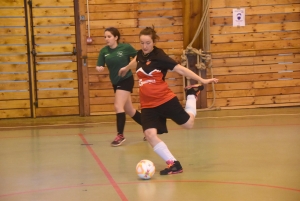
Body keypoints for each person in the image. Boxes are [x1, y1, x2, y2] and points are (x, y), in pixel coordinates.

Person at [119, 26, 218, 175]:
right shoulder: (140, 55)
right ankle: (174, 164)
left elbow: (181, 69)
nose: (145, 46)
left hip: (165, 99)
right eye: (142, 43)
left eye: (148, 43)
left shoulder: (160, 56)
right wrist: (126, 68)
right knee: (150, 134)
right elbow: (136, 60)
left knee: (188, 124)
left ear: (153, 42)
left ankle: (192, 93)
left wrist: (201, 80)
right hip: (148, 105)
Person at [96, 27, 144, 147]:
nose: (106, 39)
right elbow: (99, 65)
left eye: (109, 36)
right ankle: (150, 126)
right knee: (129, 110)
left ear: (116, 37)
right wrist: (99, 68)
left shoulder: (125, 48)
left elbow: (139, 56)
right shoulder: (104, 51)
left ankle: (120, 135)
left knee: (118, 106)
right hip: (115, 82)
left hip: (126, 79)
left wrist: (128, 66)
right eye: (105, 37)